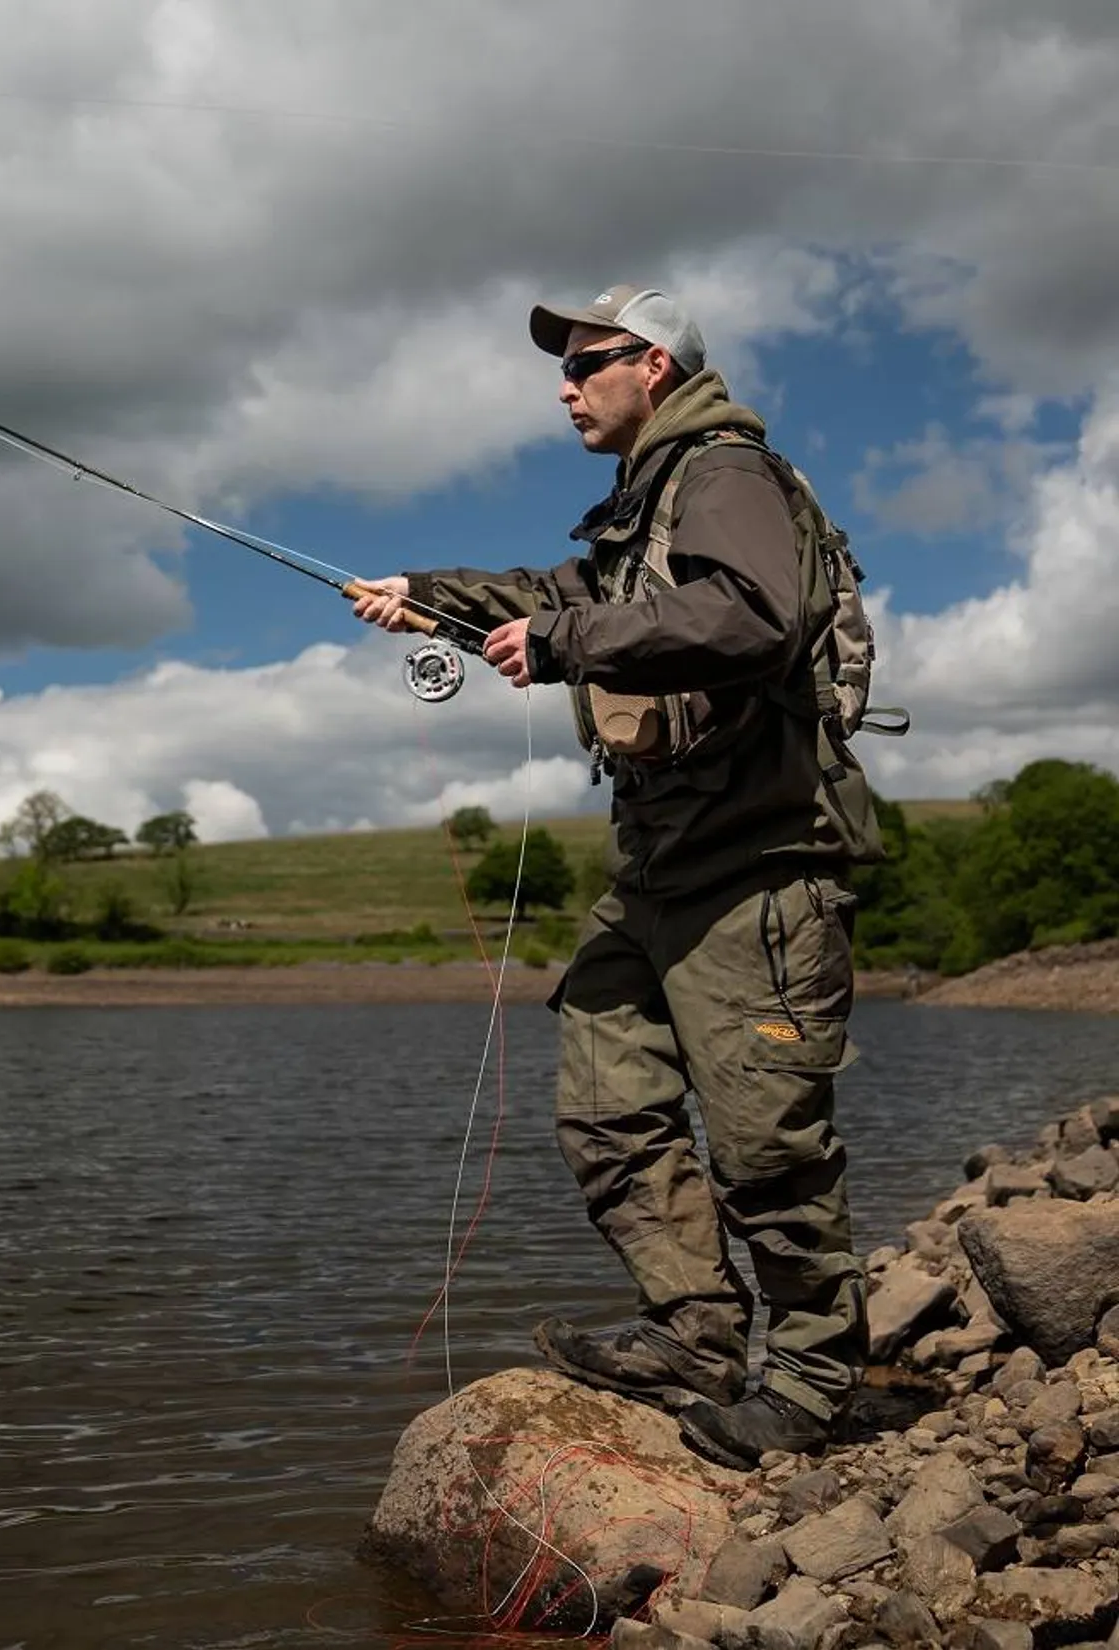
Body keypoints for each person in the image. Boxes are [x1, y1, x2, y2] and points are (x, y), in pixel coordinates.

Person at [350, 285, 880, 1469]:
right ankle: (693, 1333)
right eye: (565, 366)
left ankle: (809, 1386)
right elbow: (554, 596)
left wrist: (559, 647)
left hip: (758, 870)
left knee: (764, 1148)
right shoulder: (638, 513)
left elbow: (750, 615)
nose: (563, 385)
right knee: (604, 1108)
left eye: (585, 363)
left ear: (652, 364)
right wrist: (419, 596)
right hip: (654, 875)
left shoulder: (725, 473)